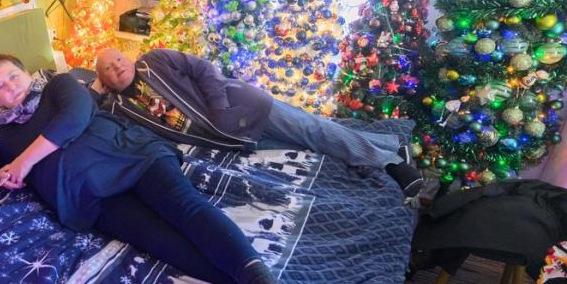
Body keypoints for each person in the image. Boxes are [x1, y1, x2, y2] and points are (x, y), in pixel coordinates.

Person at [0, 54, 312, 284]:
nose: (11, 87)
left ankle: (260, 278)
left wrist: (24, 161)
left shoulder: (59, 86)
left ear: (27, 73)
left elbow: (74, 117)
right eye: (0, 86)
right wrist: (15, 175)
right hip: (91, 196)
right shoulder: (5, 136)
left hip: (132, 154)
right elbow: (24, 174)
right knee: (163, 242)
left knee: (186, 208)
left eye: (13, 76)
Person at [91, 47, 423, 199]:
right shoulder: (120, 107)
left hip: (243, 108)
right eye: (108, 68)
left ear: (127, 56)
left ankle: (391, 163)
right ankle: (392, 146)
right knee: (308, 148)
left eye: (118, 58)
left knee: (312, 129)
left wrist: (220, 109)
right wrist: (93, 91)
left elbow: (205, 70)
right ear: (104, 79)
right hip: (233, 141)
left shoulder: (155, 60)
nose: (118, 66)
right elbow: (82, 112)